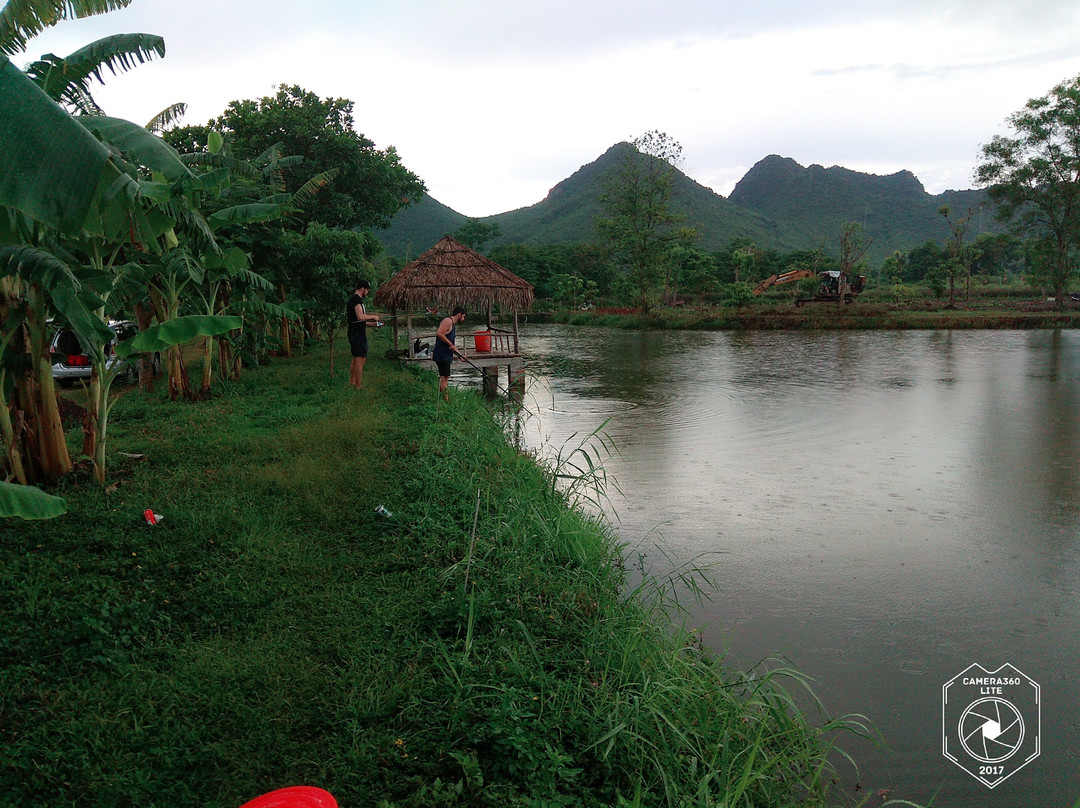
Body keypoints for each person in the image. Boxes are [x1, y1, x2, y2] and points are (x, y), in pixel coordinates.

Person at [347, 279, 380, 389]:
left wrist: (371, 324)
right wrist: (373, 316)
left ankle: (352, 382)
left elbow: (359, 321)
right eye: (367, 290)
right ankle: (358, 385)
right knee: (360, 358)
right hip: (357, 334)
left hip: (354, 331)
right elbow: (360, 317)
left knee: (356, 358)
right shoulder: (356, 300)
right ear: (362, 289)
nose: (367, 292)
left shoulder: (353, 300)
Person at [432, 306, 467, 401]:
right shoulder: (448, 321)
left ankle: (443, 399)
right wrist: (450, 344)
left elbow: (452, 345)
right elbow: (439, 333)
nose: (463, 319)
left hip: (446, 354)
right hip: (442, 354)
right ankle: (446, 402)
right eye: (463, 317)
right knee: (444, 378)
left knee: (444, 377)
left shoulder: (452, 324)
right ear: (458, 315)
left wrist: (460, 356)